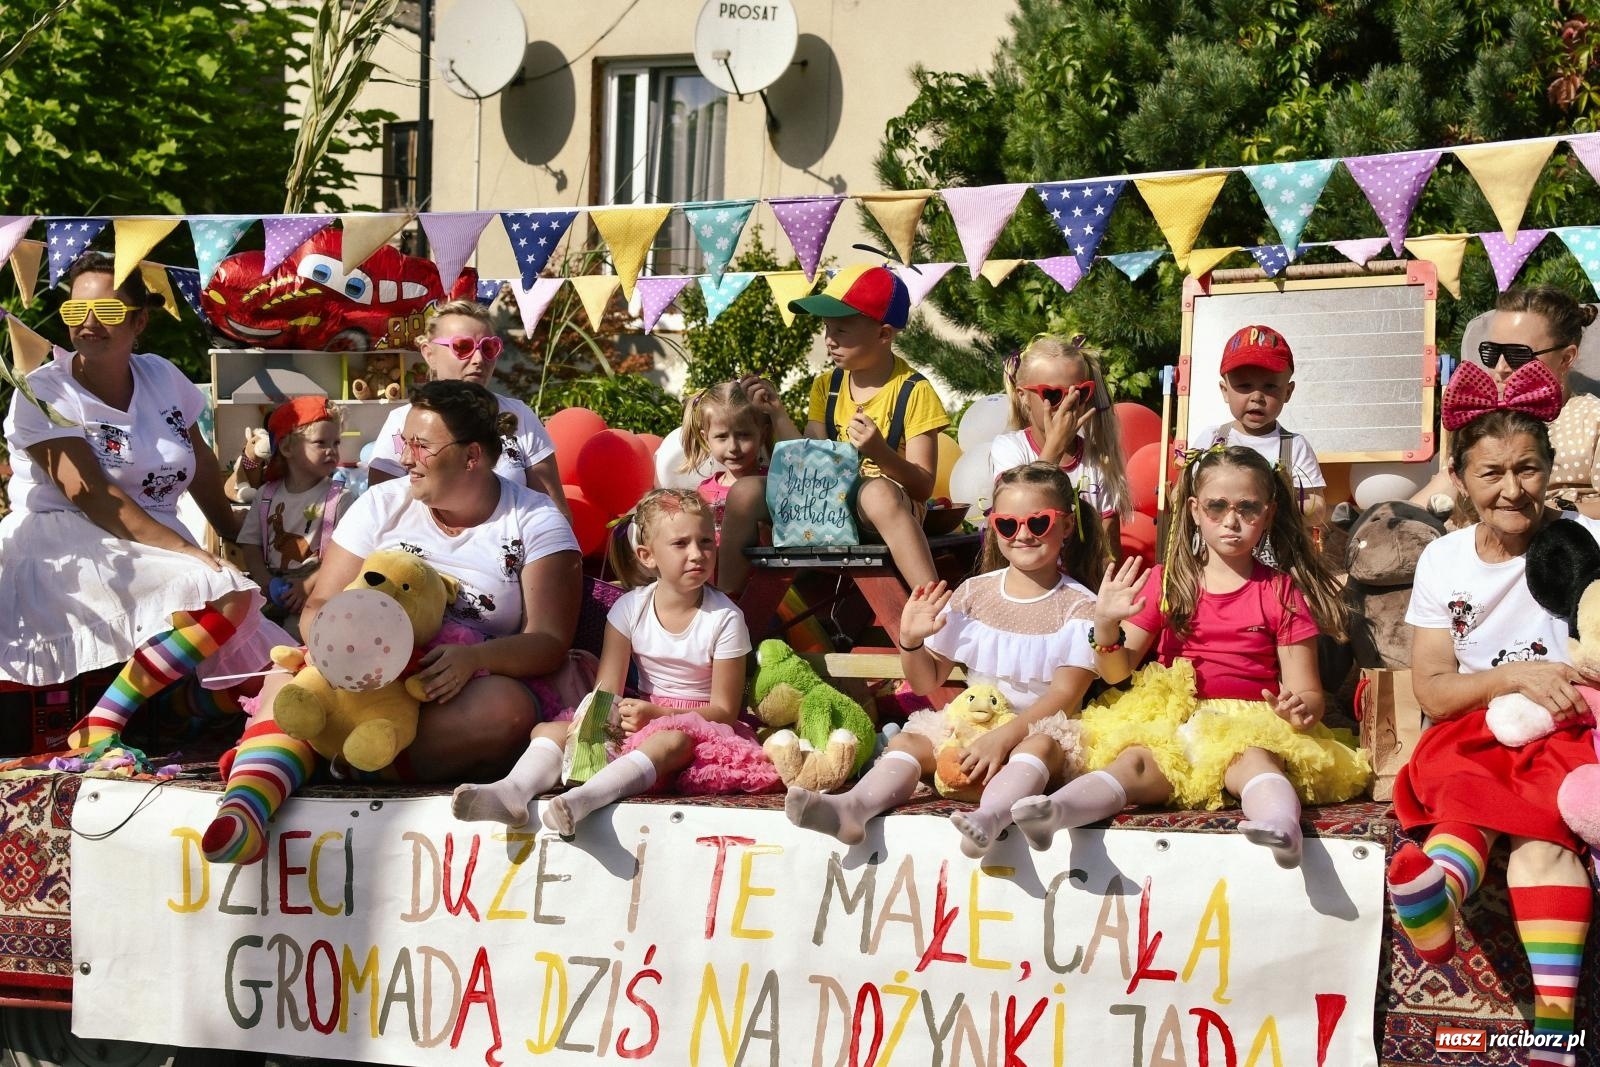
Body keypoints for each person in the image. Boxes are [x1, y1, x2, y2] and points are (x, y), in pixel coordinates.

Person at [202, 380, 583, 864]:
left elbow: (549, 640)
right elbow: (318, 607)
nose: (405, 458)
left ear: (471, 457)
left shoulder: (534, 517)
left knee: (506, 711)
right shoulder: (383, 504)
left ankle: (335, 762)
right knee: (293, 677)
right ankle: (245, 808)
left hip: (460, 685)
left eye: (421, 446)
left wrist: (474, 659)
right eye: (405, 443)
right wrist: (338, 650)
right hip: (362, 670)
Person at [1013, 445, 1369, 869]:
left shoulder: (1280, 591)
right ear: (1196, 511)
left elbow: (1307, 692)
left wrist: (1299, 710)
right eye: (1217, 507)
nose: (1231, 520)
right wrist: (1106, 624)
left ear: (1269, 514)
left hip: (1250, 719)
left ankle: (1281, 828)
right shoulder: (1168, 582)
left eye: (1247, 508)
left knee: (1255, 760)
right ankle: (1056, 812)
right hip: (1171, 720)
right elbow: (1114, 671)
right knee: (1136, 762)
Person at [1388, 359, 1594, 1066]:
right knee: (1463, 813)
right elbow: (1435, 689)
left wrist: (1558, 680)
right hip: (1475, 729)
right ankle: (1435, 906)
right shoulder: (1443, 559)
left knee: (1544, 845)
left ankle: (1555, 1033)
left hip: (1565, 730)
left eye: (1529, 468)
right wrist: (1510, 678)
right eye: (1492, 472)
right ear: (1461, 477)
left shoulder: (1585, 543)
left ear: (1548, 467)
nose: (1513, 489)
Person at [0, 251, 285, 752]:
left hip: (151, 543)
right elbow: (95, 498)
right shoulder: (43, 391)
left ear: (139, 321)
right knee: (224, 594)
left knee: (275, 672)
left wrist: (245, 542)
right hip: (72, 543)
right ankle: (103, 724)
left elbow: (199, 465)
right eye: (74, 313)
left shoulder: (161, 375)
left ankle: (178, 710)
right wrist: (194, 555)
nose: (88, 325)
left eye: (107, 312)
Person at [785, 462, 1108, 853]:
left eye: (1037, 523)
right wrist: (910, 642)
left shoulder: (1079, 605)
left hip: (1038, 735)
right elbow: (925, 681)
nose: (1022, 535)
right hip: (972, 734)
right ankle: (853, 809)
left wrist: (1002, 739)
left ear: (1067, 525)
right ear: (994, 527)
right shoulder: (974, 593)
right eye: (1008, 524)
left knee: (1038, 747)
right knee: (909, 738)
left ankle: (990, 818)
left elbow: (1064, 697)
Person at [452, 489, 774, 835]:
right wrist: (597, 725)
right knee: (552, 731)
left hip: (697, 727)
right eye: (681, 544)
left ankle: (585, 799)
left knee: (670, 741)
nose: (697, 554)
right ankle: (512, 792)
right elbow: (607, 689)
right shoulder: (628, 608)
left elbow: (724, 711)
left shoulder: (725, 618)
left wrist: (660, 716)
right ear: (647, 556)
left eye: (706, 542)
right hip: (640, 714)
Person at [716, 264, 949, 593]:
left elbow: (923, 487)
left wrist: (880, 453)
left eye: (841, 331)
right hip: (824, 505)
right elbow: (811, 463)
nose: (829, 340)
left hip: (884, 512)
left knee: (877, 492)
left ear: (884, 334)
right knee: (744, 492)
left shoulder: (914, 390)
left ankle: (932, 603)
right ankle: (723, 603)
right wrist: (777, 413)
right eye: (826, 329)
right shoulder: (827, 385)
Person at [367, 299, 570, 520]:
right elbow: (379, 512)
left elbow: (554, 512)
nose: (479, 359)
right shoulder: (400, 422)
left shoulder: (520, 417)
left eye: (488, 348)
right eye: (462, 347)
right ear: (429, 353)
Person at [1410, 285, 1600, 519]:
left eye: (1518, 354)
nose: (1500, 368)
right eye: (1491, 352)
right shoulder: (1480, 417)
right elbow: (1443, 487)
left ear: (1566, 358)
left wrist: (1545, 513)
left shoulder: (1592, 420)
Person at [988, 334, 1132, 548]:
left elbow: (1108, 553)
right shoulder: (1010, 448)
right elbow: (1021, 520)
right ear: (1023, 395)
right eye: (1053, 395)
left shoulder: (1098, 460)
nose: (1068, 404)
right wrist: (1055, 446)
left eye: (1079, 393)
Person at [237, 397, 354, 641]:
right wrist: (265, 582)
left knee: (297, 638)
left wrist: (309, 585)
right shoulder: (266, 495)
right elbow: (251, 544)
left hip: (317, 590)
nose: (332, 451)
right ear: (288, 448)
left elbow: (345, 557)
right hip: (270, 587)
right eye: (320, 443)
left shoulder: (339, 498)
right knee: (252, 635)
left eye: (336, 442)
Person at [1188, 324, 1326, 524]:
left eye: (1270, 386)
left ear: (1287, 392)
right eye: (1245, 386)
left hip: (1277, 551)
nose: (1257, 397)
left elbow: (1317, 507)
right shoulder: (1211, 440)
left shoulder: (1294, 446)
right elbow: (1181, 493)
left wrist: (1274, 504)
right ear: (1225, 391)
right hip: (1219, 550)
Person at [679, 379, 777, 533]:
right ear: (706, 439)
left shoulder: (774, 485)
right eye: (722, 437)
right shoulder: (704, 493)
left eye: (743, 435)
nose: (733, 447)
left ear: (762, 435)